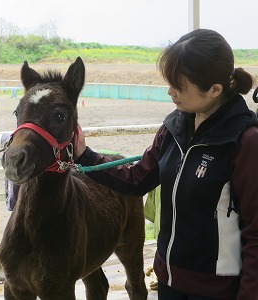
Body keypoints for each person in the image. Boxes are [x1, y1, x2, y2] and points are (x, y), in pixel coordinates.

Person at [74, 28, 258, 300]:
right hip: (169, 281)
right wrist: (85, 155)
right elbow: (138, 178)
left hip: (216, 290)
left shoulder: (246, 142)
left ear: (215, 90)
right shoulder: (174, 126)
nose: (169, 91)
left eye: (178, 86)